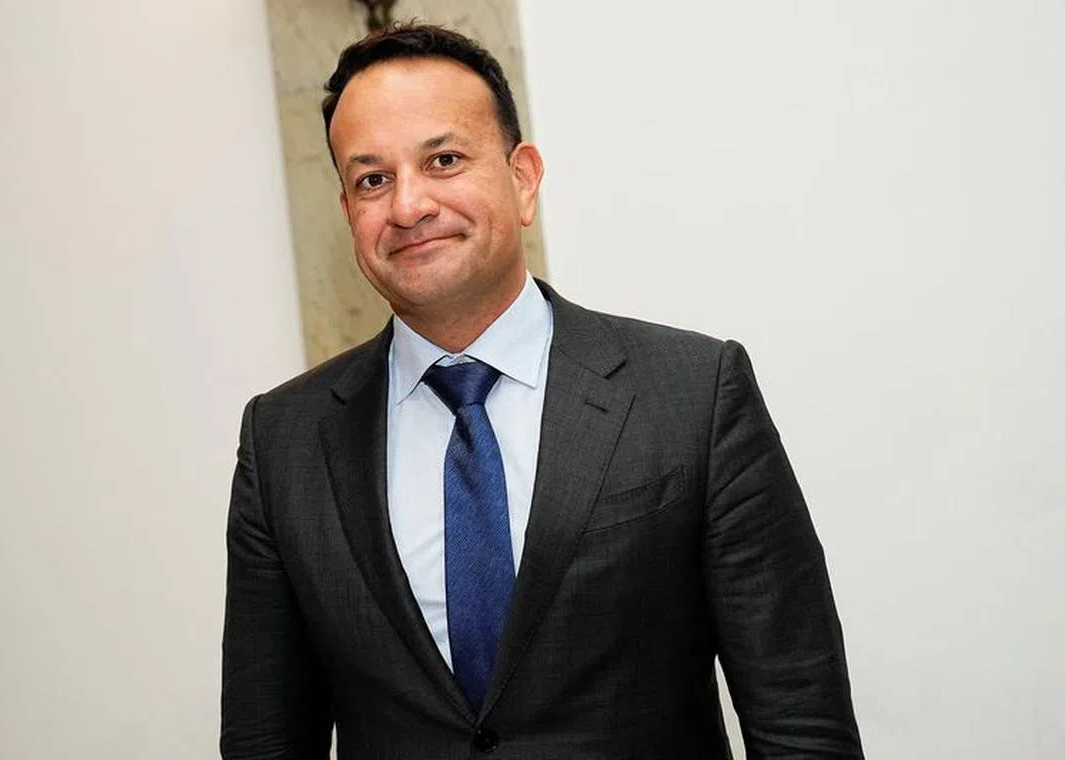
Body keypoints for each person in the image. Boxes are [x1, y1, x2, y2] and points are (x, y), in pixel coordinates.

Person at [220, 22, 863, 759]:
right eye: (373, 179)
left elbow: (801, 721)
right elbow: (264, 742)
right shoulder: (283, 441)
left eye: (444, 160)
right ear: (348, 213)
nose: (408, 206)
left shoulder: (695, 394)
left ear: (523, 178)